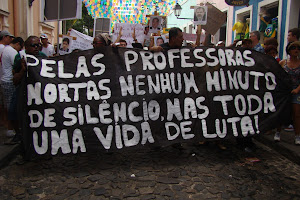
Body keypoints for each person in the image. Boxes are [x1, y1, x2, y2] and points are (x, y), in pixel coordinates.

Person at [274, 41, 300, 145]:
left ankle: (297, 135)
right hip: (284, 90)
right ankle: (278, 132)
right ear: (289, 51)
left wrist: (297, 89)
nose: (296, 50)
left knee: (296, 114)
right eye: (293, 48)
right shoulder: (283, 63)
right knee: (282, 112)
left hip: (296, 90)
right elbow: (277, 75)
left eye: (298, 48)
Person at [0, 37, 24, 140]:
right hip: (10, 81)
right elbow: (17, 65)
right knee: (12, 107)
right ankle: (11, 129)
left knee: (7, 106)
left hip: (4, 80)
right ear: (18, 44)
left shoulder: (4, 49)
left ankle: (9, 127)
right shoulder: (12, 52)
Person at [0, 30, 14, 129]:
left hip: (2, 78)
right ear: (4, 37)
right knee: (9, 105)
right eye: (9, 37)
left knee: (4, 103)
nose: (10, 39)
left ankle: (4, 122)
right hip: (7, 79)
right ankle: (9, 126)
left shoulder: (4, 49)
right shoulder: (6, 49)